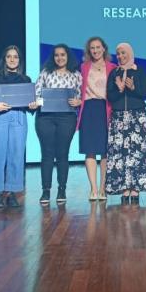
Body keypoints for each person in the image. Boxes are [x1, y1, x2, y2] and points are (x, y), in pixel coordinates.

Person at [0, 45, 37, 208]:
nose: (12, 60)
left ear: (19, 60)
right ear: (4, 59)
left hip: (18, 118)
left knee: (16, 155)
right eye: (9, 56)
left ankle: (12, 192)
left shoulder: (25, 79)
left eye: (16, 57)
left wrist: (33, 105)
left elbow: (29, 104)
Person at [34, 44, 82, 205]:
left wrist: (78, 101)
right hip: (45, 118)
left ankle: (62, 189)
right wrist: (38, 102)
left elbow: (81, 96)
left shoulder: (76, 75)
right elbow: (37, 93)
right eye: (56, 55)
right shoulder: (45, 73)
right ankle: (45, 191)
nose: (59, 58)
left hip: (67, 118)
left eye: (63, 55)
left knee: (62, 154)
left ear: (68, 56)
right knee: (47, 154)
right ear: (53, 57)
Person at [105, 43, 146, 204]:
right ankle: (124, 188)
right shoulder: (114, 73)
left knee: (137, 153)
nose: (120, 56)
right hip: (118, 117)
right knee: (120, 153)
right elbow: (110, 97)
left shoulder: (140, 71)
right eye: (118, 54)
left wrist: (133, 87)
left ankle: (136, 189)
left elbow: (145, 93)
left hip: (137, 115)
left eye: (123, 53)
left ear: (130, 53)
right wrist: (119, 89)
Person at [77, 37, 116, 201]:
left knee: (106, 151)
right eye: (92, 48)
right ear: (89, 50)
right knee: (90, 150)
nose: (95, 50)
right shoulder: (83, 67)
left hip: (105, 109)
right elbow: (78, 88)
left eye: (98, 47)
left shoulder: (113, 67)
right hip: (88, 110)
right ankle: (93, 189)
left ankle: (103, 188)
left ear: (104, 49)